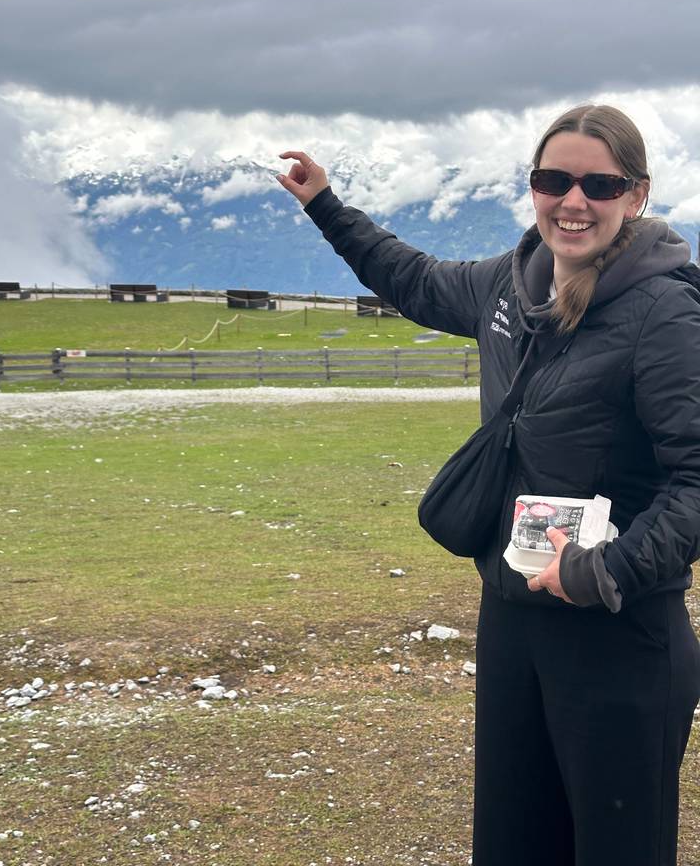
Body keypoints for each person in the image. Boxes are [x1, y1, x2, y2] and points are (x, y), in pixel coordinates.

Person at [276, 103, 700, 866]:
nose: (573, 201)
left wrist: (608, 569)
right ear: (533, 187)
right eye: (553, 179)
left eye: (599, 186)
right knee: (512, 840)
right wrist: (325, 206)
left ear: (636, 196)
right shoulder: (510, 285)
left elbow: (698, 475)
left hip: (619, 632)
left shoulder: (664, 311)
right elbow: (410, 276)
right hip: (514, 616)